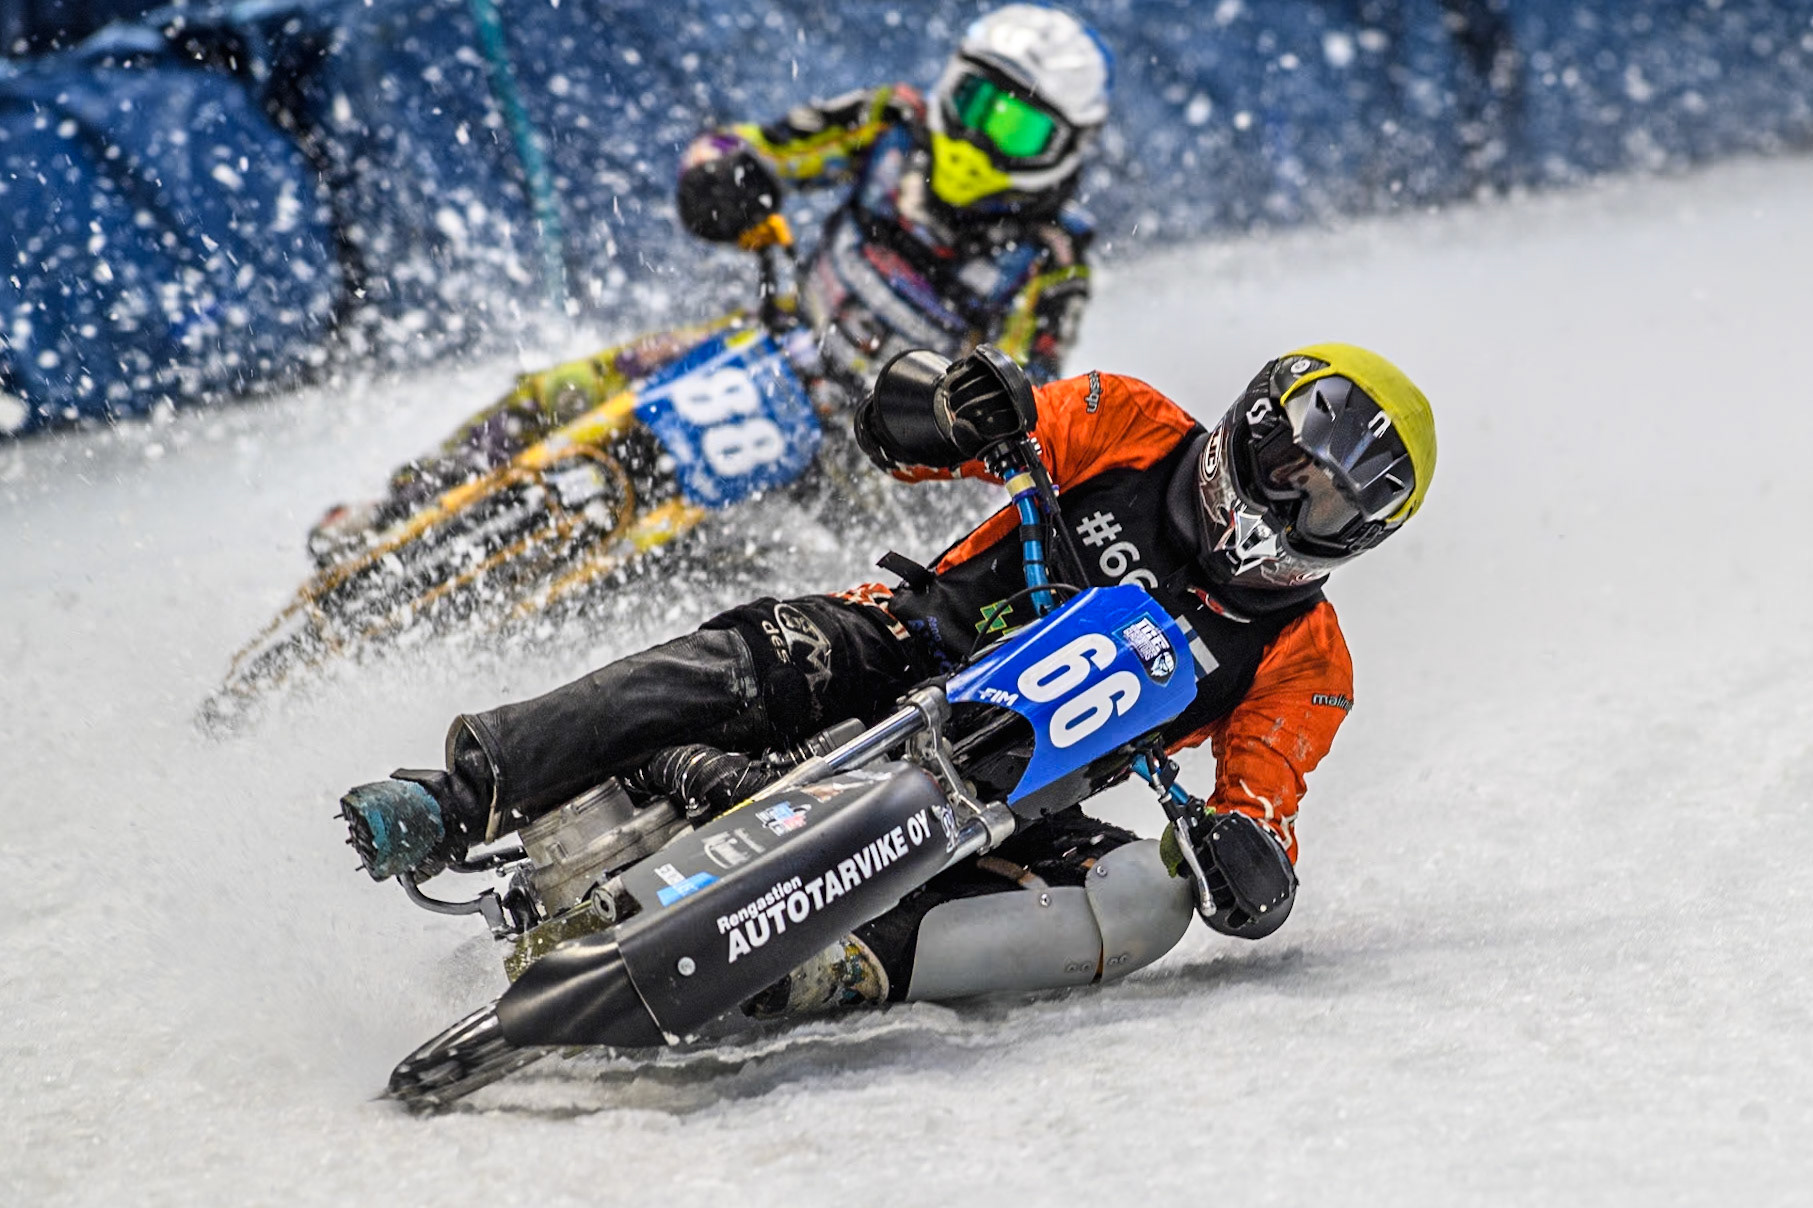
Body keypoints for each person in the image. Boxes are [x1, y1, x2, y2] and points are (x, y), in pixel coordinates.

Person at [340, 338, 1437, 1017]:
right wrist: (954, 404)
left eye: (1330, 505)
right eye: (1289, 467)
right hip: (906, 638)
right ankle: (456, 796)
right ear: (1249, 425)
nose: (1291, 506)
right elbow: (907, 435)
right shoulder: (1127, 420)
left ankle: (836, 968)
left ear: (1362, 536)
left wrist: (1244, 859)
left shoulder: (1308, 658)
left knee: (1145, 901)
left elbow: (1265, 807)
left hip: (1020, 793)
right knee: (747, 655)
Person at [309, 4, 1113, 560]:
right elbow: (747, 147)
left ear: (1066, 149)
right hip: (767, 350)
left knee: (792, 567)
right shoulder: (888, 122)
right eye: (974, 102)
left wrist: (932, 427)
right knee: (561, 391)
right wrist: (724, 179)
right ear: (947, 85)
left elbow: (1018, 396)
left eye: (1017, 126)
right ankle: (401, 508)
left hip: (873, 450)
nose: (978, 136)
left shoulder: (1050, 258)